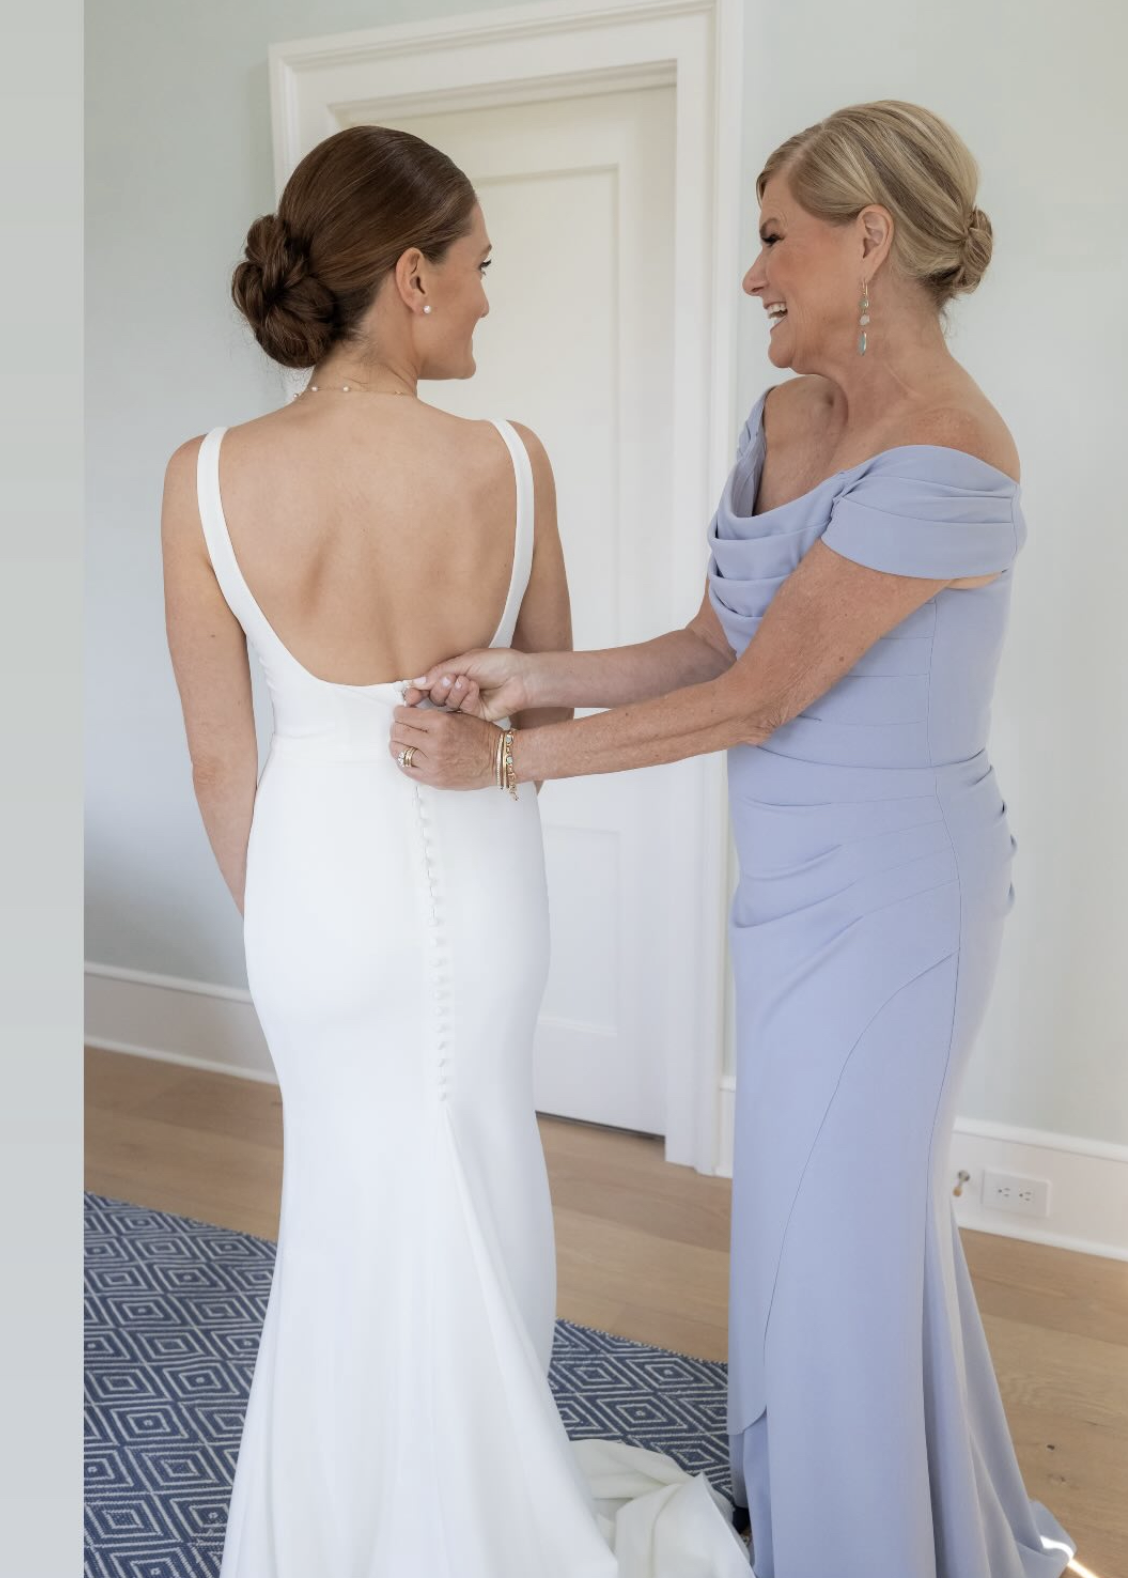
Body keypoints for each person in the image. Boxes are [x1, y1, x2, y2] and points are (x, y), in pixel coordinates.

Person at [391, 100, 1078, 1578]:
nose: (753, 272)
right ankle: (873, 1509)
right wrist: (536, 675)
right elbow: (716, 640)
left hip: (899, 905)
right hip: (791, 891)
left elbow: (761, 700)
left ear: (869, 238)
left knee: (841, 1245)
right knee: (817, 1234)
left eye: (775, 236)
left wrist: (505, 760)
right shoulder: (778, 422)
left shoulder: (954, 451)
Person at [161, 123, 752, 1578]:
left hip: (308, 889)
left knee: (347, 1200)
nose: (490, 297)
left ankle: (353, 1521)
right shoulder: (510, 461)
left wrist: (278, 926)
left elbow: (219, 755)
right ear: (413, 276)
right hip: (477, 872)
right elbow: (544, 681)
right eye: (481, 268)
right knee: (481, 1168)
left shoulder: (203, 476)